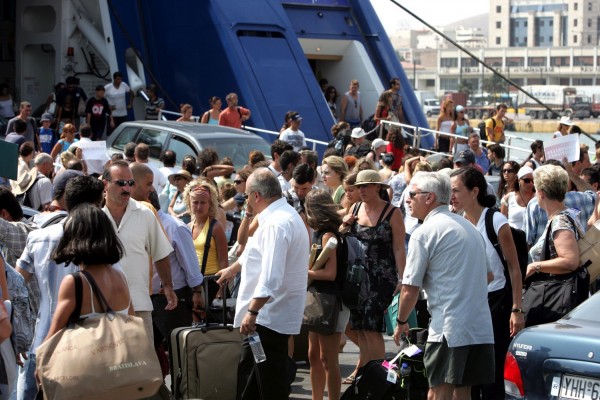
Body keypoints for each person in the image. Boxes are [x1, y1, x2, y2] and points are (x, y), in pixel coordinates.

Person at [393, 171, 494, 400]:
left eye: (412, 194)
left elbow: (410, 288)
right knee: (463, 393)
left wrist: (400, 322)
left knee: (438, 393)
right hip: (478, 327)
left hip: (450, 328)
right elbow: (488, 276)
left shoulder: (425, 232)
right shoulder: (469, 228)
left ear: (429, 198)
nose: (407, 199)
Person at [215, 168, 309, 400]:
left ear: (256, 196)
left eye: (247, 195)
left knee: (262, 381)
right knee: (257, 379)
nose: (246, 201)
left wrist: (252, 311)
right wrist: (233, 268)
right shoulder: (280, 217)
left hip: (266, 319)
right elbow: (256, 253)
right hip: (269, 318)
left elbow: (271, 276)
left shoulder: (276, 223)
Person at [15, 175, 105, 399]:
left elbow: (16, 284)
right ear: (95, 206)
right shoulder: (101, 243)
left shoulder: (38, 237)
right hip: (87, 349)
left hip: (42, 340)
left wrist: (20, 332)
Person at [450, 167, 524, 399]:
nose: (451, 195)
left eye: (455, 190)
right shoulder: (458, 222)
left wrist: (516, 309)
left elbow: (514, 267)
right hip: (468, 303)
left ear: (474, 192)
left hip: (496, 303)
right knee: (469, 371)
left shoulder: (496, 220)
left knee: (492, 372)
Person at [102, 160, 177, 341]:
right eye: (121, 183)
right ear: (105, 184)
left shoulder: (145, 214)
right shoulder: (94, 215)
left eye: (131, 183)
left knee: (143, 365)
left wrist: (167, 286)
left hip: (139, 305)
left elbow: (160, 252)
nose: (127, 189)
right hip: (102, 307)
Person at [341, 170, 405, 374]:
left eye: (366, 185)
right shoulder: (355, 208)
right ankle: (365, 373)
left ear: (378, 187)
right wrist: (345, 225)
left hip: (381, 278)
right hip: (357, 277)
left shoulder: (393, 213)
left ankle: (380, 376)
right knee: (359, 327)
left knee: (371, 326)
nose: (362, 190)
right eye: (359, 186)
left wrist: (403, 278)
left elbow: (399, 248)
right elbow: (343, 238)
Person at [44, 203, 132, 336]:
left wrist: (39, 354)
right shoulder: (120, 277)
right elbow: (132, 320)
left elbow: (53, 336)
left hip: (87, 356)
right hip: (120, 354)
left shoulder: (75, 282)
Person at [304, 190, 350, 400]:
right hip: (319, 300)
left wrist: (304, 272)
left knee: (328, 359)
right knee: (314, 355)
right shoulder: (322, 233)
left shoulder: (328, 236)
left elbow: (330, 274)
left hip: (331, 301)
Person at [525, 164, 583, 326]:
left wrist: (535, 266)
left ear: (541, 193)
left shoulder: (560, 221)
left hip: (556, 300)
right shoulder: (568, 214)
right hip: (561, 298)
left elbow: (570, 261)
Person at [185, 179, 228, 305]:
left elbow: (223, 260)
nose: (199, 207)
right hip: (193, 284)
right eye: (195, 202)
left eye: (203, 202)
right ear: (189, 203)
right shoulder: (188, 226)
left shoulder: (215, 227)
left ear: (210, 204)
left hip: (211, 283)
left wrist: (221, 289)